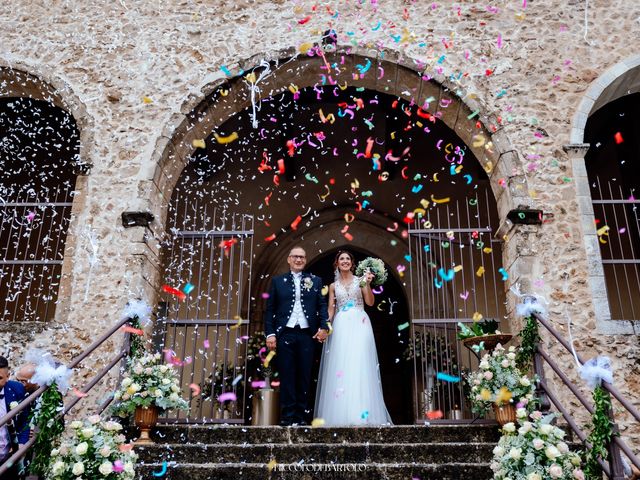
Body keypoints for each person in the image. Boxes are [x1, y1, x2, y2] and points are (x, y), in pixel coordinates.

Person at [314, 250, 392, 425]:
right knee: (342, 365)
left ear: (352, 263)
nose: (345, 261)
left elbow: (370, 302)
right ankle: (342, 414)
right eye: (342, 259)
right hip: (341, 325)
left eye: (348, 259)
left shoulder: (361, 280)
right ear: (337, 263)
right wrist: (324, 328)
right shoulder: (333, 286)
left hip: (360, 322)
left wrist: (368, 284)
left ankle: (362, 413)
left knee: (360, 363)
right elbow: (331, 310)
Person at [264, 246, 329, 426]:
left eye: (302, 257)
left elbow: (321, 306)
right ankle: (287, 416)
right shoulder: (278, 281)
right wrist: (270, 334)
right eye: (295, 257)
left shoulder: (315, 281)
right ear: (289, 259)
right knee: (287, 374)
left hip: (307, 334)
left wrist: (324, 326)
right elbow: (270, 310)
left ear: (305, 260)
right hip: (285, 333)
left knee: (304, 375)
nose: (299, 260)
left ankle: (300, 417)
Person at [0, 355, 30, 480]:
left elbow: (25, 420)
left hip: (9, 455)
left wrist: (22, 443)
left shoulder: (17, 389)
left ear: (7, 376)